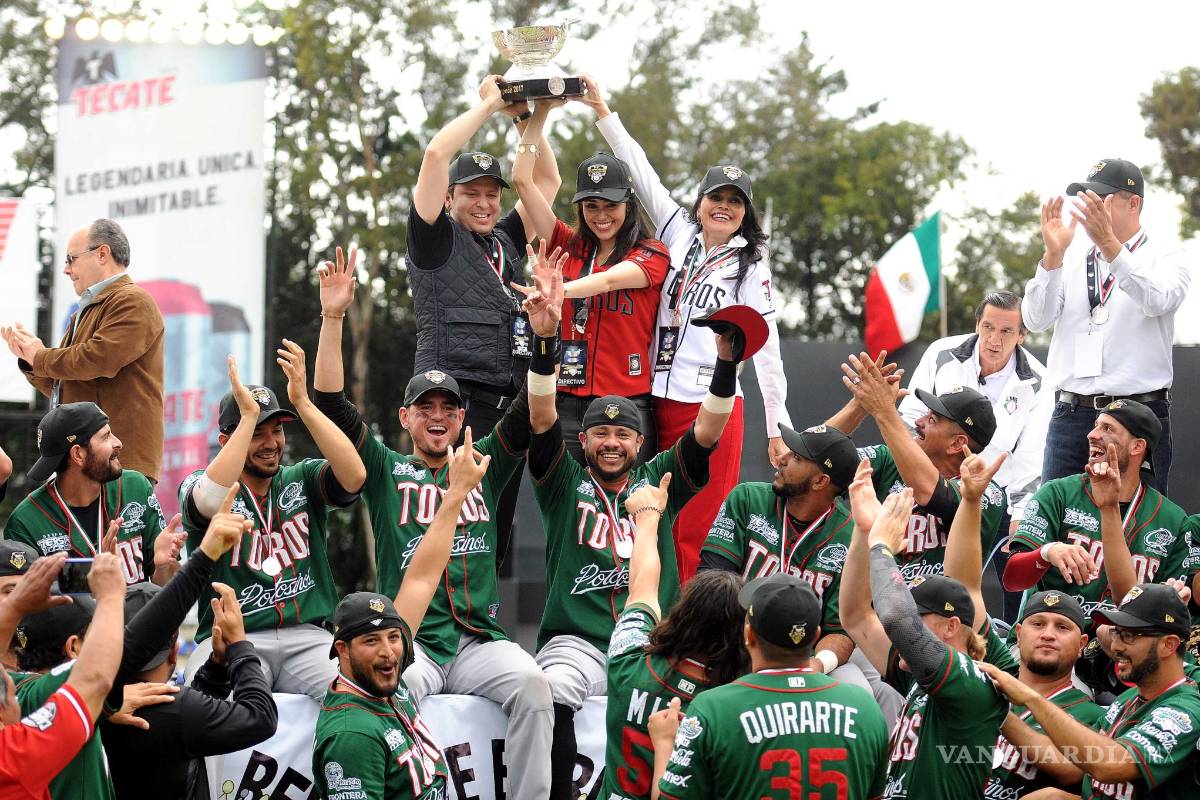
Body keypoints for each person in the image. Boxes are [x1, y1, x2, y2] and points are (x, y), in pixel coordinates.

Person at [312, 262, 553, 800]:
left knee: (536, 685)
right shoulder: (382, 467)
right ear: (405, 417)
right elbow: (331, 403)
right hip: (413, 641)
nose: (437, 416)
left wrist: (544, 341)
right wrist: (332, 317)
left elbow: (531, 410)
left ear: (464, 418)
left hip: (478, 641)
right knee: (385, 693)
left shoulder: (484, 461)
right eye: (426, 408)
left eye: (448, 408)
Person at [521, 241, 739, 800]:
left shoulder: (659, 475)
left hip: (654, 643)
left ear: (639, 441)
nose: (612, 443)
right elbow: (542, 415)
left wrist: (726, 364)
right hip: (580, 642)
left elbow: (708, 432)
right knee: (548, 690)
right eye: (601, 434)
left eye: (623, 435)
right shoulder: (564, 482)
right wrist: (545, 343)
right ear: (586, 439)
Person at [582, 76, 794, 578]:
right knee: (653, 513)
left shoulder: (750, 265)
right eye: (714, 197)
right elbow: (639, 167)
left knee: (702, 523)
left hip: (713, 405)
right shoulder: (677, 231)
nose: (723, 207)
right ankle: (649, 616)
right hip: (656, 398)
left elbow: (766, 350)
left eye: (735, 202)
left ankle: (696, 633)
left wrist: (776, 427)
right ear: (699, 202)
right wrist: (600, 109)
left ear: (744, 215)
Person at [1, 480, 252, 800]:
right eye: (11, 592)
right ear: (74, 647)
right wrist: (111, 597)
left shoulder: (38, 697)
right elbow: (124, 653)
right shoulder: (34, 718)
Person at [406, 76, 562, 568]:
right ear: (449, 198)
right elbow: (434, 156)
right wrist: (491, 105)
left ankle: (483, 637)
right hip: (451, 410)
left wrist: (532, 119)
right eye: (471, 193)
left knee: (491, 539)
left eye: (492, 194)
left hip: (504, 410)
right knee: (444, 537)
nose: (485, 203)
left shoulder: (504, 243)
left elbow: (547, 183)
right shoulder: (433, 238)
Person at [177, 345, 366, 700]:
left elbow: (355, 476)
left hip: (308, 637)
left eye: (276, 430)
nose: (270, 443)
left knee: (355, 696)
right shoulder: (201, 481)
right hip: (232, 636)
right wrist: (246, 417)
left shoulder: (301, 477)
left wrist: (304, 404)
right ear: (225, 440)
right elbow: (207, 500)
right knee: (217, 703)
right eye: (256, 432)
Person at [314, 430, 490, 800]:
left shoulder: (388, 678)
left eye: (394, 637)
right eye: (370, 641)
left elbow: (423, 578)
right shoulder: (352, 734)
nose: (388, 652)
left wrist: (456, 493)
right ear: (341, 651)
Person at [510, 102, 670, 464]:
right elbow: (522, 179)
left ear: (628, 205)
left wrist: (560, 290)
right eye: (591, 205)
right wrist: (534, 117)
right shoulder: (568, 244)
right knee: (564, 505)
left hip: (628, 406)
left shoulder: (652, 253)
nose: (601, 216)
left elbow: (609, 280)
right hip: (566, 401)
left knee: (630, 509)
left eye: (610, 205)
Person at [1024, 159, 1191, 493]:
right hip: (1071, 413)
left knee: (1136, 527)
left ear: (1134, 203)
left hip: (1137, 414)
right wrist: (1053, 256)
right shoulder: (1071, 256)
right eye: (1086, 197)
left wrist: (1111, 247)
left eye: (1102, 198)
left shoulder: (1166, 254)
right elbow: (1035, 319)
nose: (1090, 207)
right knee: (1056, 520)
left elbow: (1158, 299)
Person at [840, 477, 1009, 800]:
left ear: (951, 627)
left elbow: (896, 618)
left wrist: (881, 548)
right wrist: (863, 533)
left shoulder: (968, 680)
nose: (908, 627)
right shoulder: (918, 678)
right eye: (912, 615)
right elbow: (856, 616)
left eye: (921, 617)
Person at [649, 573, 888, 800]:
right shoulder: (866, 708)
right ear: (815, 636)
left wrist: (664, 742)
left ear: (749, 634)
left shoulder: (712, 709)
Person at [898, 290, 1053, 621]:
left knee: (1015, 585)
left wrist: (1020, 517)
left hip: (998, 501)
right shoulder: (941, 352)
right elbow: (908, 416)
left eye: (1006, 331)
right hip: (933, 488)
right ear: (977, 325)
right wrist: (920, 478)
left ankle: (1011, 648)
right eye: (987, 327)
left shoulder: (1040, 382)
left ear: (1023, 335)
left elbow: (1030, 460)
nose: (994, 340)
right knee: (914, 577)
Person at [595, 473, 748, 800]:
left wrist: (647, 519)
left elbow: (643, 587)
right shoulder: (730, 705)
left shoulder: (627, 660)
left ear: (683, 612)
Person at [980, 583, 1200, 800]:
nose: (1115, 647)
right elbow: (1080, 767)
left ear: (1169, 645)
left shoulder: (1184, 711)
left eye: (1129, 636)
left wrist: (1029, 698)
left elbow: (1109, 765)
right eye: (1117, 633)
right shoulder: (1128, 699)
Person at [698, 422, 874, 689]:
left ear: (820, 481)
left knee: (859, 687)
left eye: (796, 458)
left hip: (804, 655)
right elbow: (712, 582)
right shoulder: (748, 499)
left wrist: (817, 665)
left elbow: (839, 630)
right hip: (734, 640)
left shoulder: (851, 536)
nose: (781, 459)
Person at [2, 219, 164, 481]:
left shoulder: (133, 300)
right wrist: (31, 360)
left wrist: (41, 356)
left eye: (71, 259)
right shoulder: (88, 310)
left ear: (102, 253)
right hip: (88, 460)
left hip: (118, 462)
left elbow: (98, 359)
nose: (66, 269)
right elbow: (68, 386)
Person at [1004, 400, 1193, 620]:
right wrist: (1047, 553)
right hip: (1053, 639)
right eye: (1096, 425)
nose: (1091, 435)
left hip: (1123, 643)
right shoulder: (1056, 494)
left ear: (1137, 446)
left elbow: (1169, 615)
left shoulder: (1174, 521)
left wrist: (1173, 598)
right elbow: (1012, 580)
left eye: (1108, 429)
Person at [833, 353, 1007, 584]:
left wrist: (884, 410)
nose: (919, 421)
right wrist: (861, 405)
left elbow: (931, 492)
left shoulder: (986, 491)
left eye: (933, 419)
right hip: (878, 609)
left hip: (943, 615)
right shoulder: (889, 459)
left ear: (957, 444)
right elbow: (816, 456)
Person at [100, 575, 277, 800]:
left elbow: (188, 715)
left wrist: (217, 667)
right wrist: (240, 648)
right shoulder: (177, 709)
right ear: (174, 651)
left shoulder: (87, 705)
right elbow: (261, 717)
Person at [4, 402, 185, 586]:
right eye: (106, 437)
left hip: (138, 615)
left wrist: (163, 566)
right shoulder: (26, 522)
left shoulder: (135, 487)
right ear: (78, 455)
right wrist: (96, 578)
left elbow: (167, 592)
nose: (118, 443)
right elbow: (24, 605)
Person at [0, 553, 124, 800]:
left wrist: (14, 606)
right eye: (13, 692)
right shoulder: (14, 758)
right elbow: (95, 680)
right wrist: (111, 597)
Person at [984, 591, 1105, 799]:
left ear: (1081, 645)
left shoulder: (1093, 715)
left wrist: (996, 710)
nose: (1048, 635)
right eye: (1038, 624)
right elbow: (969, 592)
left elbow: (1073, 771)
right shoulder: (991, 683)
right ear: (1019, 634)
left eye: (1062, 627)